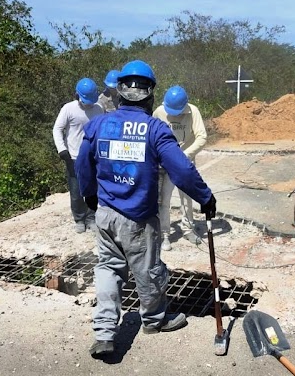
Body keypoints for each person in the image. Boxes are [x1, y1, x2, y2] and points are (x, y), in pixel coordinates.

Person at [75, 60, 217, 358]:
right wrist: (205, 197)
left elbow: (82, 164)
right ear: (151, 95)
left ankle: (103, 333)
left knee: (107, 270)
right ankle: (153, 320)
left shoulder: (98, 124)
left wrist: (89, 195)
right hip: (138, 218)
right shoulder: (155, 129)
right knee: (148, 271)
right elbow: (181, 170)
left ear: (120, 92)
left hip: (105, 216)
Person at [153, 85, 208, 251]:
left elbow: (202, 136)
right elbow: (153, 136)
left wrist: (185, 156)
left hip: (185, 163)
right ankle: (165, 235)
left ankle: (188, 229)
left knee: (186, 198)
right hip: (166, 164)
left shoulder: (193, 111)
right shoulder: (159, 112)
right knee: (164, 200)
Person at [53, 78, 104, 233]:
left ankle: (91, 218)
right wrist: (62, 150)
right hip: (74, 157)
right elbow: (57, 129)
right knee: (76, 192)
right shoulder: (68, 109)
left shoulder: (99, 108)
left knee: (92, 189)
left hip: (93, 156)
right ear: (77, 95)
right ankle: (79, 219)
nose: (88, 104)